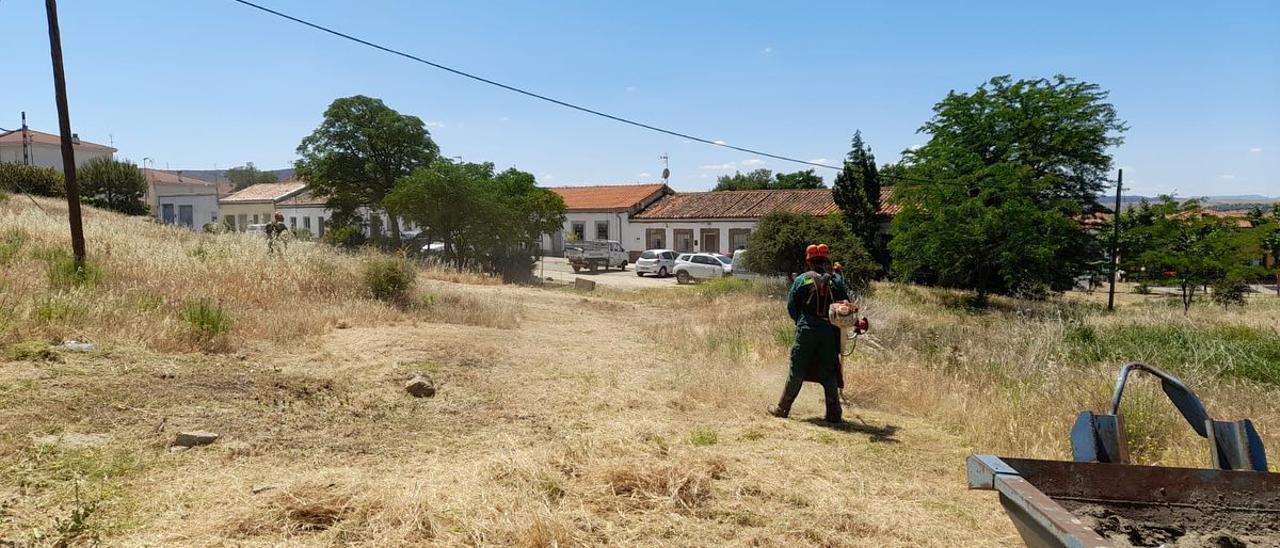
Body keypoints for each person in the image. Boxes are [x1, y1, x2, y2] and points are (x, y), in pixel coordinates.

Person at [768, 243, 852, 423]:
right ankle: (834, 414)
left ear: (809, 262)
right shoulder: (835, 280)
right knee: (829, 371)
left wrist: (801, 322)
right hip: (829, 331)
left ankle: (782, 409)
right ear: (825, 261)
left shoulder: (801, 280)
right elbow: (846, 303)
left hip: (806, 330)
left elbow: (792, 306)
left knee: (797, 369)